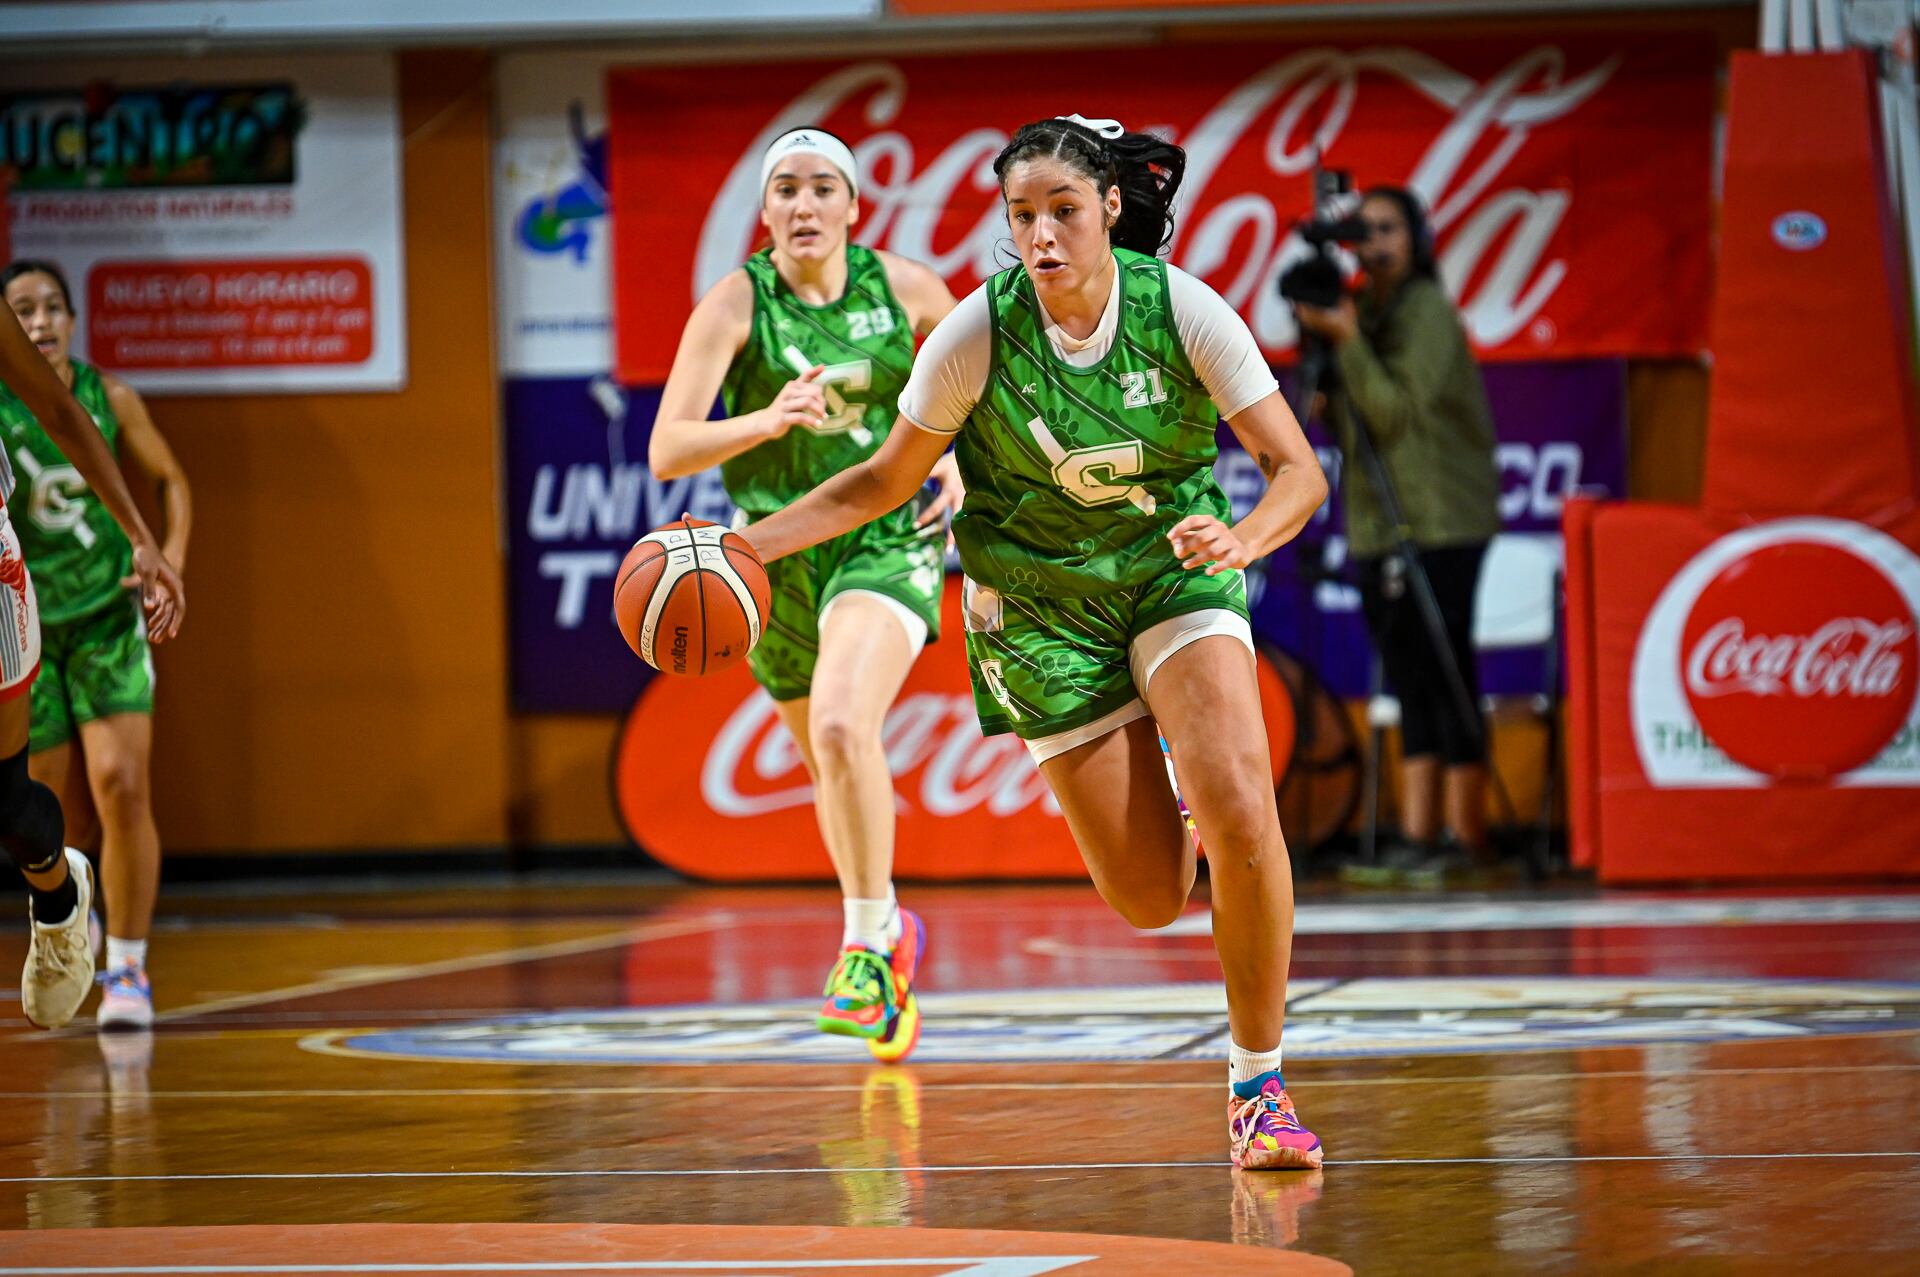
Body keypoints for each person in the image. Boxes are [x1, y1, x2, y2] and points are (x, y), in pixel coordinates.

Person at [741, 115, 1328, 1170]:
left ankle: (1259, 1086)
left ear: (1111, 206)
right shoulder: (975, 333)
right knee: (1149, 897)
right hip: (1038, 609)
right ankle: (1179, 799)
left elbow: (1299, 472)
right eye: (1023, 215)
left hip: (1170, 568)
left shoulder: (1181, 307)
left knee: (1243, 807)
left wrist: (1240, 538)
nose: (1043, 234)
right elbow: (881, 481)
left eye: (1064, 209)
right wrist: (744, 547)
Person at [650, 128, 961, 1062]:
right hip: (772, 555)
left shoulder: (905, 289)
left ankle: (863, 946)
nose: (804, 204)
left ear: (854, 207)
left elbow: (989, 389)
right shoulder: (737, 301)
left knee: (838, 723)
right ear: (766, 211)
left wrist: (961, 462)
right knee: (831, 760)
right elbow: (668, 448)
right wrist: (766, 418)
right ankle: (890, 931)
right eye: (785, 188)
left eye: (823, 187)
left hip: (883, 537)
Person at [3, 260, 192, 1029]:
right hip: (38, 615)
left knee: (118, 783)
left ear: (73, 320)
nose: (41, 322)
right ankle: (63, 902)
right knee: (40, 802)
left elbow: (170, 477)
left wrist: (160, 548)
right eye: (27, 309)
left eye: (53, 307)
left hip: (102, 618)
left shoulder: (105, 396)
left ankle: (129, 967)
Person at [1295, 187, 1502, 873]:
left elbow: (1393, 415)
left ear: (1417, 238)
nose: (1375, 242)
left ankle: (1465, 834)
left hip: (1440, 517)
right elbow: (1350, 420)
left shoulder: (1426, 311)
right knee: (1409, 674)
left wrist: (1348, 339)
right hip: (1379, 520)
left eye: (1389, 228)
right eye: (1366, 230)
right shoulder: (1369, 310)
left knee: (1446, 668)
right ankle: (1419, 833)